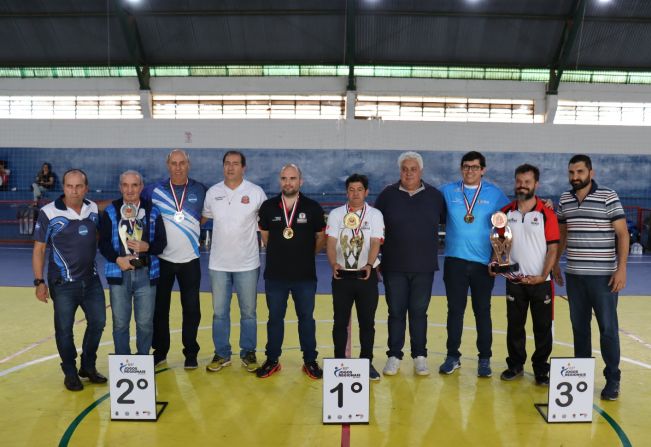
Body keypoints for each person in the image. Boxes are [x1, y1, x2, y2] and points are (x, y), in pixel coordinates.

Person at [553, 154, 628, 401]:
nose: (575, 177)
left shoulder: (608, 196)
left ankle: (613, 380)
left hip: (604, 278)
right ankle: (581, 379)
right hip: (575, 278)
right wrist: (555, 263)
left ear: (590, 173)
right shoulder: (565, 199)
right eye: (572, 173)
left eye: (580, 172)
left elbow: (623, 235)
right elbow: (563, 235)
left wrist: (622, 269)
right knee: (579, 329)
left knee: (608, 330)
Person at [32, 169, 106, 391]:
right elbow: (39, 249)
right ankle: (70, 372)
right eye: (69, 186)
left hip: (91, 281)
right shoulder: (49, 212)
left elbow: (97, 236)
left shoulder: (92, 209)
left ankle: (88, 366)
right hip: (63, 284)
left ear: (86, 188)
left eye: (79, 186)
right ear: (63, 187)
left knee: (98, 323)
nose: (74, 191)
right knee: (64, 330)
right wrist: (39, 282)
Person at [374, 152, 446, 376]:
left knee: (418, 313)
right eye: (405, 169)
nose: (408, 173)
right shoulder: (387, 195)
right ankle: (394, 355)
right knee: (395, 312)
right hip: (393, 266)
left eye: (413, 169)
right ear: (400, 171)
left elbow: (448, 219)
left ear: (421, 171)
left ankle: (420, 356)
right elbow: (376, 228)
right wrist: (376, 260)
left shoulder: (435, 196)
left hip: (424, 267)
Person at [439, 151, 509, 378]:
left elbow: (511, 217)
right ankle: (452, 356)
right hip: (455, 262)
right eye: (466, 166)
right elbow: (426, 204)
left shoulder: (495, 194)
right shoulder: (448, 191)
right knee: (455, 312)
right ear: (461, 168)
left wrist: (498, 258)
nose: (470, 170)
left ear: (483, 170)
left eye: (475, 167)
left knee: (483, 312)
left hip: (483, 264)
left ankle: (485, 360)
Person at [256, 163, 326, 379]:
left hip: (304, 276)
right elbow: (265, 236)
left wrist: (304, 256)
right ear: (280, 181)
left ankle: (310, 360)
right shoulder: (268, 207)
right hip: (275, 276)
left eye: (293, 178)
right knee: (275, 318)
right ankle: (272, 359)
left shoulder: (313, 207)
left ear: (300, 181)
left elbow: (321, 238)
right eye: (284, 178)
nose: (288, 182)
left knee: (306, 318)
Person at [201, 151, 267, 373]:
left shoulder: (256, 193)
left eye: (235, 164)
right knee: (220, 312)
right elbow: (203, 218)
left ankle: (248, 352)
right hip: (218, 264)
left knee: (248, 312)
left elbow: (265, 227)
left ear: (243, 167)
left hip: (247, 264)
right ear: (223, 167)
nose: (231, 168)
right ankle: (222, 353)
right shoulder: (212, 193)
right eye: (227, 164)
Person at [143, 149, 206, 369]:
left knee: (192, 309)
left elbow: (205, 215)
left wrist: (190, 229)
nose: (178, 167)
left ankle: (191, 353)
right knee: (160, 309)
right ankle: (160, 351)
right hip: (162, 259)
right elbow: (134, 207)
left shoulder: (199, 189)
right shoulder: (153, 190)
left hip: (190, 260)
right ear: (167, 165)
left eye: (182, 163)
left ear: (188, 165)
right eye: (173, 163)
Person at [497, 164, 559, 386]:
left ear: (536, 185)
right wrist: (496, 264)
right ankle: (515, 365)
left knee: (542, 328)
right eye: (519, 181)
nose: (522, 186)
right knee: (515, 326)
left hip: (541, 282)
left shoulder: (546, 214)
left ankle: (541, 370)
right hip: (514, 281)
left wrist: (543, 276)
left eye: (527, 182)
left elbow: (553, 249)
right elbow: (500, 246)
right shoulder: (504, 213)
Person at [99, 170, 167, 355]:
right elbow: (103, 243)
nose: (130, 190)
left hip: (146, 275)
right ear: (120, 187)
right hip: (119, 274)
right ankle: (123, 361)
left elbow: (162, 243)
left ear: (141, 187)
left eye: (134, 185)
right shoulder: (111, 211)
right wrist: (117, 259)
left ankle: (142, 360)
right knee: (120, 323)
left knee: (145, 323)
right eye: (126, 185)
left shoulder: (153, 210)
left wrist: (147, 247)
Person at [326, 174, 384, 381]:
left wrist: (369, 265)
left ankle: (366, 363)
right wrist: (334, 264)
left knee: (367, 322)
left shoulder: (375, 215)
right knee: (340, 321)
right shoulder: (335, 214)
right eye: (351, 189)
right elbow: (331, 243)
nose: (356, 193)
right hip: (341, 276)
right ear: (346, 192)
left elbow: (376, 242)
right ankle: (338, 363)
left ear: (366, 192)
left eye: (360, 189)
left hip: (365, 276)